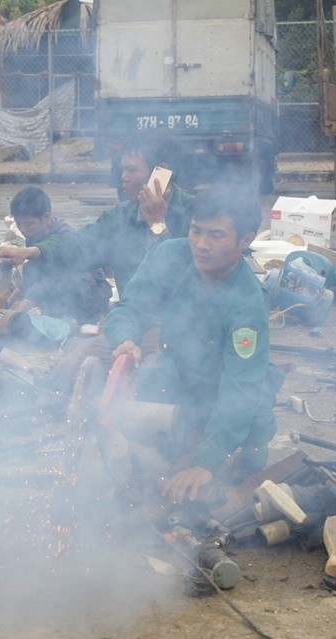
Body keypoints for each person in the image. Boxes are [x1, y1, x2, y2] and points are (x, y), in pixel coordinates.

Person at [104, 185, 284, 503]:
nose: (201, 244)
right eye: (195, 230)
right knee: (135, 412)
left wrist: (207, 464)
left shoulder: (247, 304)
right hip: (179, 378)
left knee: (250, 430)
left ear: (246, 240)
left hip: (227, 391)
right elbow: (129, 308)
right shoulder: (169, 256)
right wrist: (125, 339)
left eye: (216, 235)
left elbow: (239, 387)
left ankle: (223, 452)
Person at [0, 132, 194, 296]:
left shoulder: (196, 214)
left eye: (132, 170)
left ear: (161, 172)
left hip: (180, 330)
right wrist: (29, 252)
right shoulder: (119, 217)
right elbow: (79, 245)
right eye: (123, 169)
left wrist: (158, 224)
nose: (123, 177)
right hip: (129, 326)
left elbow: (183, 279)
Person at [6, 186, 111, 325]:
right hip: (60, 291)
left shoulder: (65, 234)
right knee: (30, 268)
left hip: (93, 294)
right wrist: (7, 305)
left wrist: (24, 305)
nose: (23, 229)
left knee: (67, 279)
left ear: (46, 218)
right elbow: (33, 274)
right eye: (18, 224)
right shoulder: (33, 234)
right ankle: (56, 318)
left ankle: (83, 322)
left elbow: (55, 277)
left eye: (28, 224)